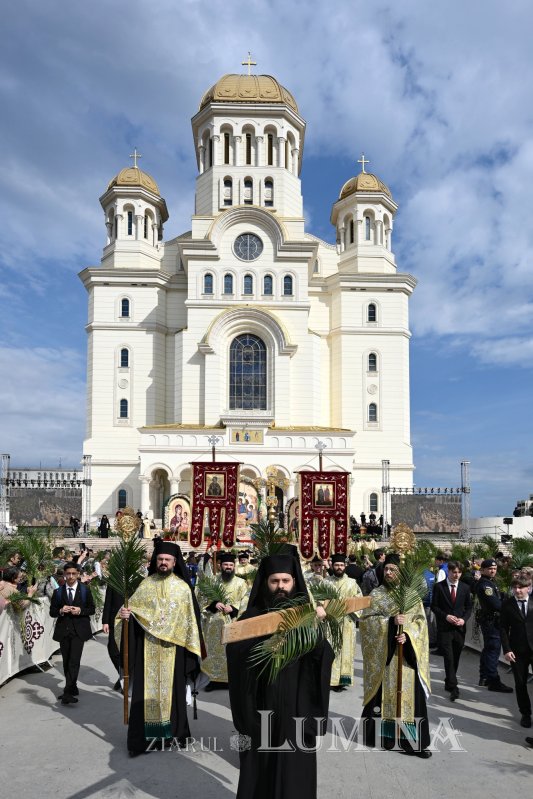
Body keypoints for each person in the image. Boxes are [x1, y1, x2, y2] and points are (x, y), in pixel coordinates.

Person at [227, 551, 334, 799]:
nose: (280, 587)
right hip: (260, 708)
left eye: (285, 581)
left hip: (296, 709)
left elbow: (323, 657)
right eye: (275, 581)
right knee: (260, 770)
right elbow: (235, 652)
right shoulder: (252, 617)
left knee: (294, 771)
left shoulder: (307, 616)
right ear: (265, 582)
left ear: (295, 582)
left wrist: (315, 629)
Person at [118, 541, 204, 755]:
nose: (163, 563)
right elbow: (131, 611)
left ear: (175, 562)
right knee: (144, 694)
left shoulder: (183, 589)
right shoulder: (145, 585)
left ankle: (173, 736)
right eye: (160, 559)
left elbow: (190, 623)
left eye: (167, 560)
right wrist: (125, 616)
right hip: (147, 650)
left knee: (172, 696)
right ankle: (145, 739)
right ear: (155, 561)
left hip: (173, 652)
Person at [359, 554, 432, 758]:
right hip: (386, 657)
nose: (389, 573)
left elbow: (420, 624)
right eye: (386, 569)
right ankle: (387, 738)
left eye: (393, 569)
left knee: (410, 698)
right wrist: (390, 624)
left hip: (406, 657)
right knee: (384, 696)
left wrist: (407, 635)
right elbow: (366, 623)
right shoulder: (377, 594)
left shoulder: (411, 596)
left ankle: (411, 742)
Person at [199, 552, 249, 690]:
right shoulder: (212, 581)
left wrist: (233, 607)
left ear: (234, 566)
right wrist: (213, 604)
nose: (228, 567)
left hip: (233, 621)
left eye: (231, 565)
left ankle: (231, 679)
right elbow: (202, 596)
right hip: (214, 623)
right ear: (220, 566)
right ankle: (214, 680)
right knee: (214, 651)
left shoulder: (241, 583)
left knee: (231, 651)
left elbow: (246, 599)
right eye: (226, 564)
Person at [50, 561, 96, 705]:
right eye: (68, 574)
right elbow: (52, 612)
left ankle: (67, 691)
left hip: (79, 631)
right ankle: (73, 686)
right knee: (66, 660)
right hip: (64, 631)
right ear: (64, 574)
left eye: (73, 574)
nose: (70, 576)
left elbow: (92, 609)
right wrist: (60, 611)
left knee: (74, 661)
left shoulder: (84, 590)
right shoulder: (58, 592)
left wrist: (80, 611)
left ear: (78, 574)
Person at [431, 560, 472, 701]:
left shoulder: (465, 588)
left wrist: (464, 619)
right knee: (448, 657)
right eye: (454, 572)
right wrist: (446, 616)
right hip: (445, 628)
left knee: (456, 657)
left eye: (459, 572)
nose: (456, 575)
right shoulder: (439, 587)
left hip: (460, 629)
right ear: (448, 571)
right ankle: (454, 687)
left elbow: (469, 608)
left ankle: (449, 681)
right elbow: (434, 606)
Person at [474, 558, 513, 692]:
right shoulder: (485, 585)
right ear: (483, 570)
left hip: (491, 621)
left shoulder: (490, 583)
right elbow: (496, 604)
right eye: (490, 568)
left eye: (495, 569)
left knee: (489, 649)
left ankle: (484, 677)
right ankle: (493, 681)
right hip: (492, 621)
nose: (493, 571)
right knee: (493, 651)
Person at [500, 573, 533, 727]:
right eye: (515, 588)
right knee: (520, 683)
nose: (518, 590)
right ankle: (525, 713)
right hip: (517, 651)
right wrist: (506, 649)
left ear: (529, 588)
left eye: (521, 587)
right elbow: (503, 629)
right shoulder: (507, 604)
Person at [326, 554, 362, 691]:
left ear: (345, 566)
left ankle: (342, 680)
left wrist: (351, 609)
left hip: (347, 621)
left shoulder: (352, 583)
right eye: (336, 565)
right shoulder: (326, 582)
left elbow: (359, 600)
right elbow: (319, 601)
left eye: (341, 565)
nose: (339, 567)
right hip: (330, 622)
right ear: (332, 566)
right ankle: (330, 679)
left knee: (345, 650)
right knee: (331, 649)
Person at [102, 583, 124, 691]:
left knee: (127, 653)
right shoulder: (113, 581)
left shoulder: (136, 579)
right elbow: (108, 602)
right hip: (113, 622)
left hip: (130, 622)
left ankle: (126, 680)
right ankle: (123, 677)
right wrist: (105, 621)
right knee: (113, 651)